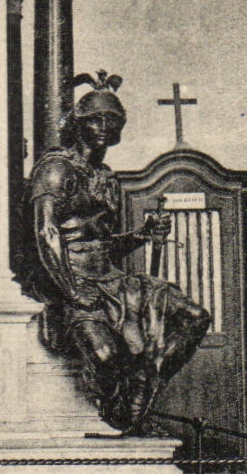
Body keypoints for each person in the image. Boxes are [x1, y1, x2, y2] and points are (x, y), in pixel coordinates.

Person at [26, 72, 211, 434]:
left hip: (112, 280)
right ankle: (123, 412)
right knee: (106, 356)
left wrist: (141, 235)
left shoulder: (107, 178)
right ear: (77, 124)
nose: (105, 127)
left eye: (114, 121)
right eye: (96, 119)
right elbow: (46, 233)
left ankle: (144, 383)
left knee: (195, 318)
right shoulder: (55, 170)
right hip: (73, 281)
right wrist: (71, 290)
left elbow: (104, 242)